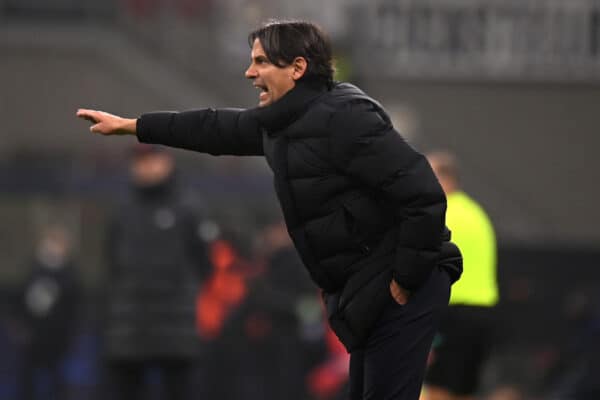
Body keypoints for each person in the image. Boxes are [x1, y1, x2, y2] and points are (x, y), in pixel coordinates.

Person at [77, 19, 462, 400]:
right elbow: (211, 128)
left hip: (398, 285)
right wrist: (134, 126)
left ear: (297, 67)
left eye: (261, 61)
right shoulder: (279, 124)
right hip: (363, 292)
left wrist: (406, 280)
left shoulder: (347, 117)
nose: (249, 72)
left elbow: (424, 196)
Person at [102, 144, 212, 400]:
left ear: (167, 161)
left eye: (152, 159)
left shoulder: (188, 208)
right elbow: (111, 264)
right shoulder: (121, 211)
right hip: (129, 328)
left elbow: (204, 264)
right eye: (140, 161)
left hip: (176, 330)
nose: (146, 166)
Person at [423, 151, 499, 400]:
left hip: (453, 314)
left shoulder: (441, 212)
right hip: (483, 314)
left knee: (438, 388)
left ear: (445, 179)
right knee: (464, 390)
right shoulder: (476, 213)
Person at [17, 225, 80, 400]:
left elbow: (73, 308)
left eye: (58, 243)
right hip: (32, 336)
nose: (53, 247)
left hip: (57, 337)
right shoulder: (33, 269)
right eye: (51, 242)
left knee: (56, 380)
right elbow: (21, 300)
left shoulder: (70, 274)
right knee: (27, 380)